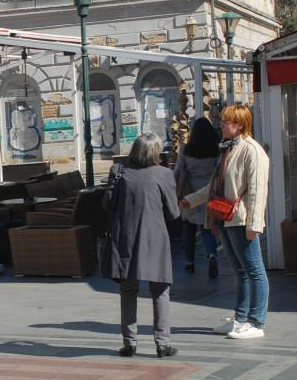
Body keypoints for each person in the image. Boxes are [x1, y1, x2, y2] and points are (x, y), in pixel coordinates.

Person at [180, 105, 270, 340]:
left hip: (241, 220)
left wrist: (254, 224)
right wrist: (191, 200)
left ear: (240, 124)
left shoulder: (251, 150)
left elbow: (258, 190)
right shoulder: (228, 149)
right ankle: (240, 319)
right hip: (226, 218)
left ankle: (256, 321)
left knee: (255, 271)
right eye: (222, 120)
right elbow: (215, 186)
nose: (222, 124)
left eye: (227, 121)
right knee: (240, 271)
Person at [101, 133, 180, 358]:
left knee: (127, 291)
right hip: (155, 239)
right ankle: (162, 344)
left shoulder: (119, 171)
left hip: (125, 237)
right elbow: (173, 213)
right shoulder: (164, 174)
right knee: (161, 291)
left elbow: (107, 203)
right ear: (155, 152)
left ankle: (129, 343)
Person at [174, 117, 220, 277]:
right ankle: (212, 255)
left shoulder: (185, 150)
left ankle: (189, 262)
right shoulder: (215, 150)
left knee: (188, 228)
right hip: (209, 192)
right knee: (207, 227)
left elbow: (179, 170)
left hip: (189, 192)